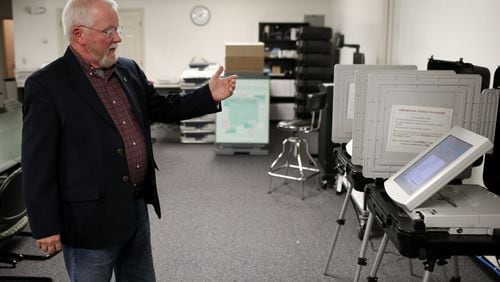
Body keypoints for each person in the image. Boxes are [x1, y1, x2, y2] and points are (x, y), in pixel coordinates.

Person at [21, 0, 237, 280]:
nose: (118, 38)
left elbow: (162, 108)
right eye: (109, 30)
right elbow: (38, 163)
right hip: (88, 221)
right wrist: (45, 225)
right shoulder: (47, 84)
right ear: (79, 35)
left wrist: (207, 95)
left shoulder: (128, 69)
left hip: (134, 207)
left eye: (118, 28)